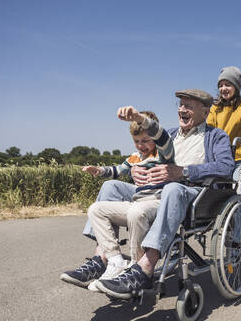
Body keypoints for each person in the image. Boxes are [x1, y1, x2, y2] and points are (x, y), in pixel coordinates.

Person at [94, 89, 235, 298]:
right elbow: (141, 155)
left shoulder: (216, 136)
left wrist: (184, 172)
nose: (181, 109)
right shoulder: (169, 134)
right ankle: (101, 259)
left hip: (191, 194)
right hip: (154, 192)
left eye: (189, 106)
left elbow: (225, 166)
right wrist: (134, 169)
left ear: (205, 112)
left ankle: (144, 268)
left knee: (173, 187)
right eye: (180, 105)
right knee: (110, 186)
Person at [60, 109, 174, 291]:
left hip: (156, 202)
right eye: (137, 141)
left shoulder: (164, 154)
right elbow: (118, 169)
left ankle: (137, 267)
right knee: (95, 209)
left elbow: (163, 138)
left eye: (146, 141)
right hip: (137, 201)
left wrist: (140, 119)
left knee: (137, 212)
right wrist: (99, 170)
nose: (141, 145)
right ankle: (114, 260)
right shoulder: (135, 157)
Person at [207, 66, 241, 240]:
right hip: (222, 161)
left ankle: (235, 247)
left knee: (237, 198)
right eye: (221, 85)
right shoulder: (215, 109)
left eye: (228, 84)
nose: (223, 89)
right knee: (215, 199)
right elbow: (209, 128)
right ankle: (225, 235)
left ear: (236, 87)